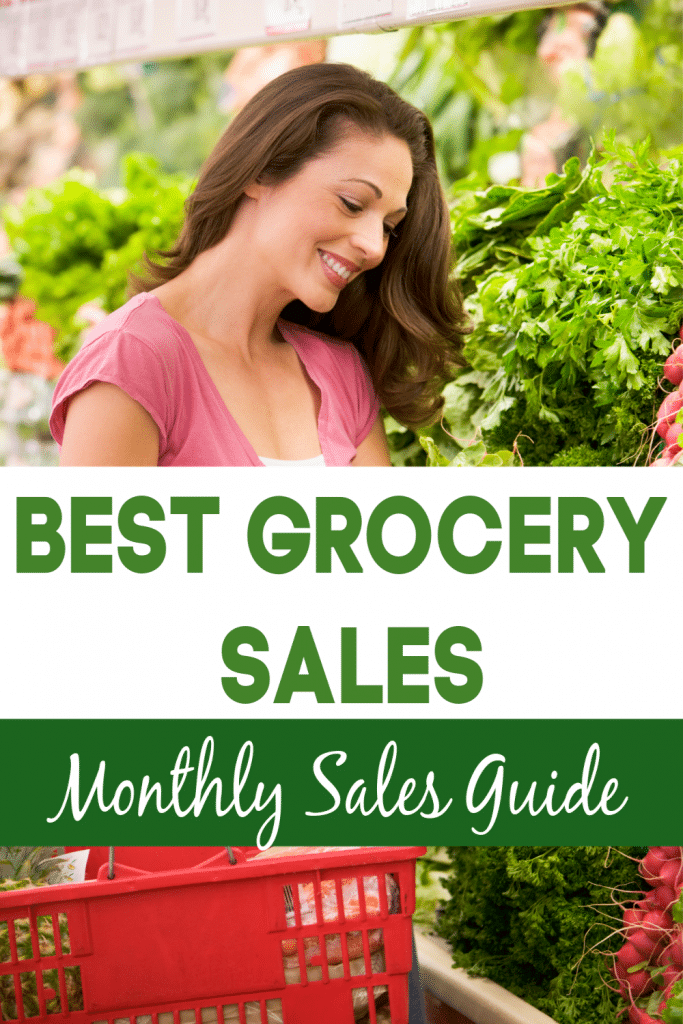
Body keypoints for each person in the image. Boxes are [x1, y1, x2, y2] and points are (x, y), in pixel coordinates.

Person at [50, 62, 468, 467]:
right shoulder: (133, 361)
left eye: (389, 227)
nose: (374, 247)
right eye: (353, 203)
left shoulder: (341, 374)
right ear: (262, 170)